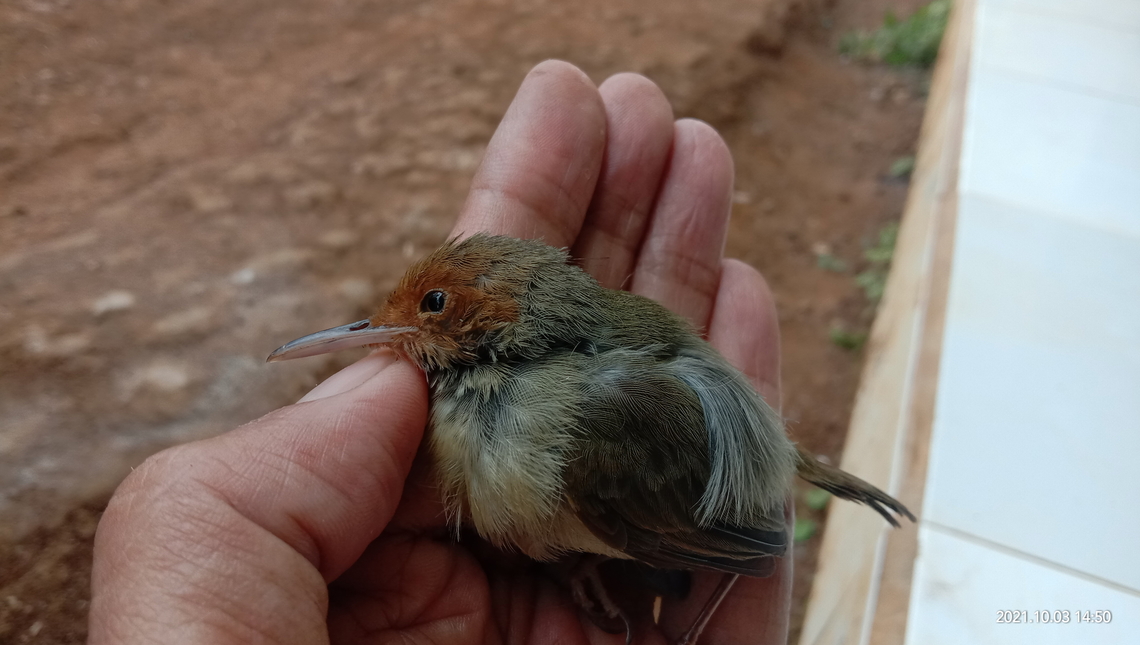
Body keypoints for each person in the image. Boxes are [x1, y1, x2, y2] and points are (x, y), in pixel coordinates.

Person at [88, 60, 791, 645]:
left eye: (432, 306)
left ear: (498, 313)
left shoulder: (575, 424)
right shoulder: (517, 400)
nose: (387, 327)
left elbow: (670, 523)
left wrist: (626, 550)